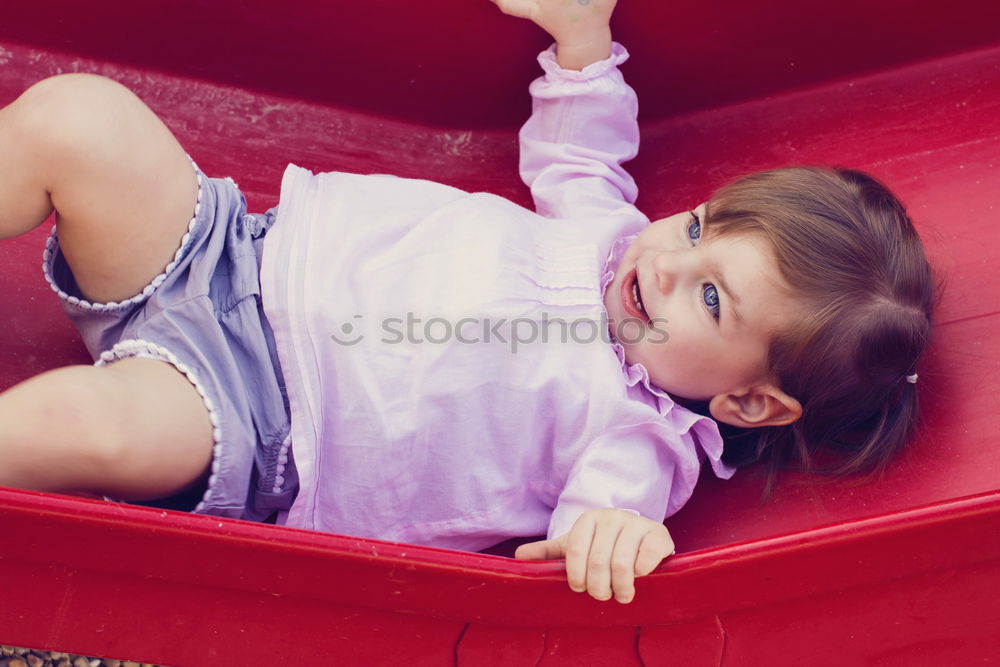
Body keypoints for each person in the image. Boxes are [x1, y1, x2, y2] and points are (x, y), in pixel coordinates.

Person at [0, 0, 934, 605]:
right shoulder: (611, 236)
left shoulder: (634, 439)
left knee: (89, 422)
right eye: (696, 228)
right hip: (229, 249)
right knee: (79, 118)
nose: (663, 265)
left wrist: (613, 536)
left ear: (747, 401)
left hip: (258, 413)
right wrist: (583, 46)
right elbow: (576, 157)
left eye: (712, 300)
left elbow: (594, 526)